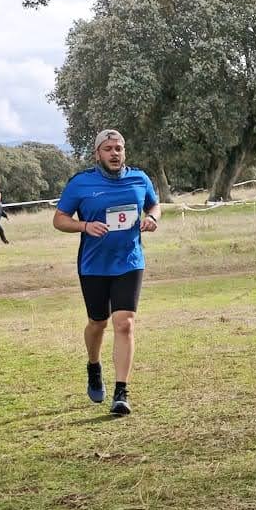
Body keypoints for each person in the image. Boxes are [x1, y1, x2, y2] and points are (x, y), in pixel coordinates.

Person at [53, 128, 160, 417]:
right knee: (97, 324)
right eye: (109, 148)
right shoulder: (81, 183)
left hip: (129, 261)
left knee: (124, 324)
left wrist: (151, 218)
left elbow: (154, 204)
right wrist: (85, 226)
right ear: (98, 153)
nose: (115, 153)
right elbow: (59, 219)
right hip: (93, 265)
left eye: (119, 148)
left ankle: (121, 392)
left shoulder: (140, 178)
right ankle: (93, 364)